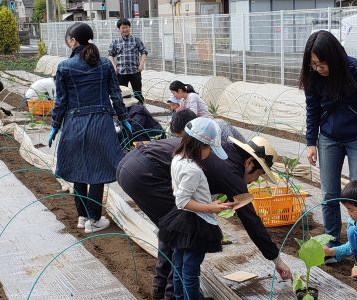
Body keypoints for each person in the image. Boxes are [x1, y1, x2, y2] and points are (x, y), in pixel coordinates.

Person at [117, 124, 291, 299]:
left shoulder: (224, 153)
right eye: (259, 174)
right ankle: (176, 294)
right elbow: (251, 220)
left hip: (132, 163)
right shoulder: (231, 173)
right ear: (249, 163)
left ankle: (167, 290)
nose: (255, 180)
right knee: (182, 236)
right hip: (144, 173)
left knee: (176, 234)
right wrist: (276, 259)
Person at [299, 30, 357, 252]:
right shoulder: (314, 77)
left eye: (322, 63)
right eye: (314, 64)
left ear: (335, 57)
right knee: (329, 193)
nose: (318, 68)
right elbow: (312, 110)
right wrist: (311, 142)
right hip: (329, 138)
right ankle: (332, 241)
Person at [48, 22, 132, 234]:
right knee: (98, 171)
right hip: (101, 123)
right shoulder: (104, 65)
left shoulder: (64, 67)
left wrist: (55, 126)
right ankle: (93, 219)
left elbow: (61, 102)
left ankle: (83, 217)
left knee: (79, 171)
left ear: (73, 41)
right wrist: (124, 118)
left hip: (74, 123)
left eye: (68, 38)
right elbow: (116, 95)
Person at [157, 117, 233, 300]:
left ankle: (179, 297)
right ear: (200, 146)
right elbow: (182, 201)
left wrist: (205, 199)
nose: (210, 153)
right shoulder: (193, 170)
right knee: (191, 271)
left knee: (179, 265)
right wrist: (211, 207)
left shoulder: (177, 158)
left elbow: (177, 191)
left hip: (181, 222)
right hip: (195, 224)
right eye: (209, 149)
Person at [108, 18, 148, 103]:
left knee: (138, 93)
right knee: (123, 93)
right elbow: (110, 54)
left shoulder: (136, 40)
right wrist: (113, 65)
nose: (125, 30)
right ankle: (125, 112)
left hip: (135, 71)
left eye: (126, 27)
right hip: (121, 72)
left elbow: (144, 52)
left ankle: (140, 110)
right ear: (119, 29)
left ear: (129, 27)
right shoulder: (115, 42)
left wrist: (141, 64)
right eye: (122, 28)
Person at [169, 109, 246, 143]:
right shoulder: (199, 135)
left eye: (183, 136)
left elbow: (232, 149)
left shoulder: (219, 127)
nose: (183, 140)